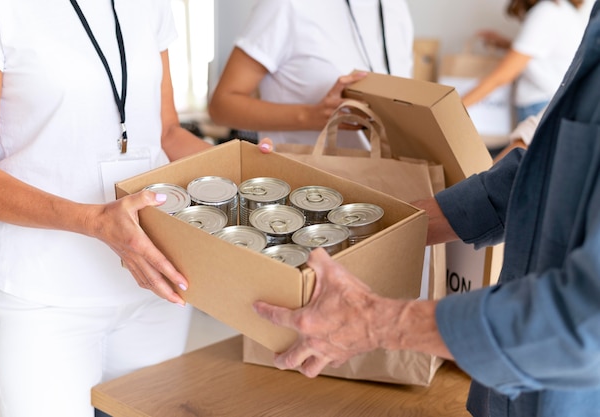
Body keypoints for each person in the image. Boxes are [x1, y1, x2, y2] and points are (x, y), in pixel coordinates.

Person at [252, 1, 600, 416]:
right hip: (506, 396)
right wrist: (376, 229)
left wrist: (375, 322)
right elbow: (543, 173)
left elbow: (584, 321)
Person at [0, 1, 271, 416]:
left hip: (154, 276)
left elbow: (166, 132)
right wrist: (93, 220)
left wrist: (243, 167)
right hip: (47, 290)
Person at [207, 0, 414, 149]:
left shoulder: (395, 8)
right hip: (305, 188)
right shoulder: (286, 5)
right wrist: (312, 116)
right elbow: (221, 107)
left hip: (385, 183)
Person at [462, 0, 587, 123]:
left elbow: (502, 76)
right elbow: (540, 54)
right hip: (550, 104)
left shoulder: (546, 12)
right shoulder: (562, 8)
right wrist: (507, 45)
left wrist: (455, 108)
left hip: (539, 107)